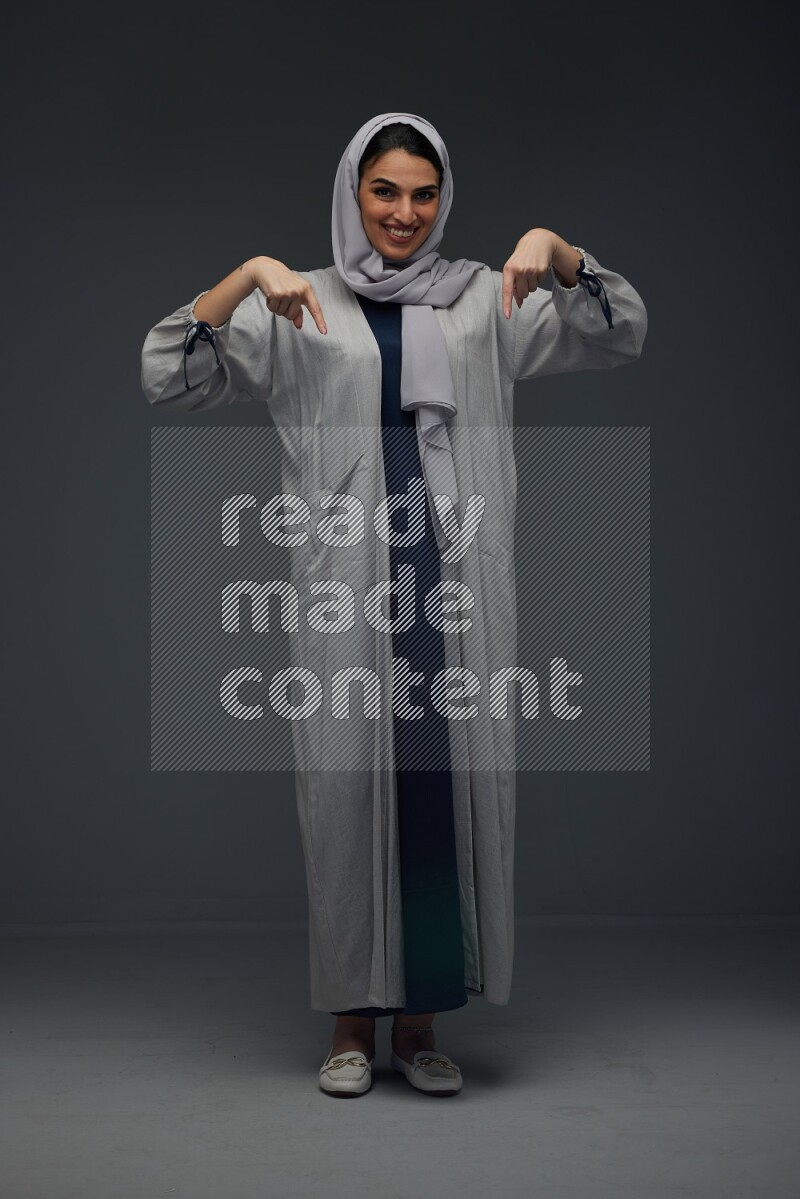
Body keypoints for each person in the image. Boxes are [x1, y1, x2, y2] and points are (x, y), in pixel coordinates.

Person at [141, 111, 648, 1098]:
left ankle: (418, 1020)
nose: (403, 213)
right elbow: (168, 372)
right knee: (345, 794)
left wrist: (556, 251)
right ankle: (346, 1017)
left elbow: (619, 329)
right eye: (383, 191)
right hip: (345, 590)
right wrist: (247, 273)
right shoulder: (301, 304)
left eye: (422, 193)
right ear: (352, 192)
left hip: (454, 589)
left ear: (442, 197)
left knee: (442, 790)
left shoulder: (481, 303)